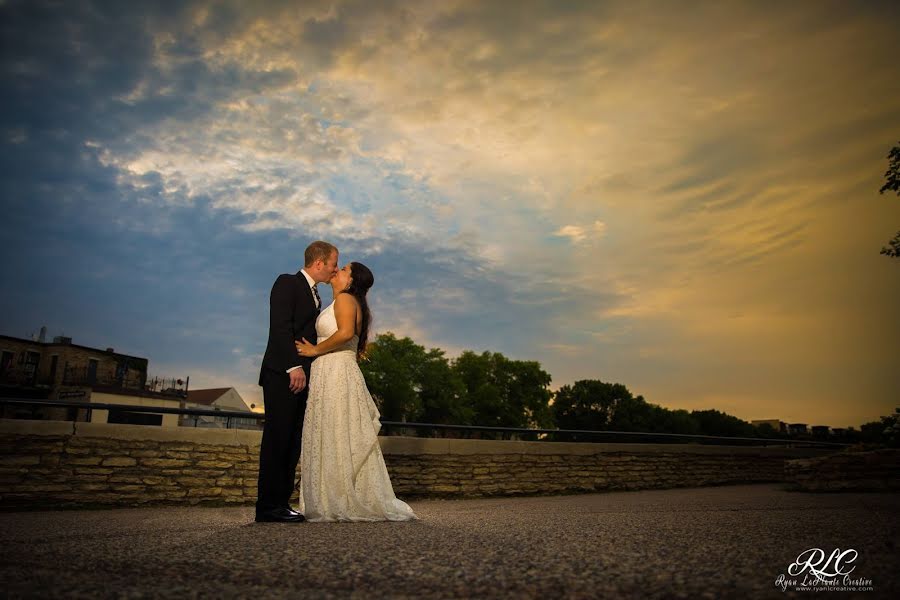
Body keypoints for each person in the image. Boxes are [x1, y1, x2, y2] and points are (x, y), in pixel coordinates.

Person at [294, 262, 417, 522]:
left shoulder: (346, 300)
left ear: (351, 281)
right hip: (334, 370)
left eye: (345, 268)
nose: (338, 270)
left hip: (336, 371)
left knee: (336, 431)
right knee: (337, 432)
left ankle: (336, 499)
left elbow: (346, 333)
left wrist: (314, 350)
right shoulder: (346, 301)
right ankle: (331, 497)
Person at [255, 241, 339, 523]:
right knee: (278, 439)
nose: (334, 270)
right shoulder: (287, 283)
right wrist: (293, 366)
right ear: (319, 263)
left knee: (292, 441)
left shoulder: (317, 296)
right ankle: (267, 507)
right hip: (282, 374)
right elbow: (280, 327)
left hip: (302, 378)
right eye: (333, 264)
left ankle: (281, 503)